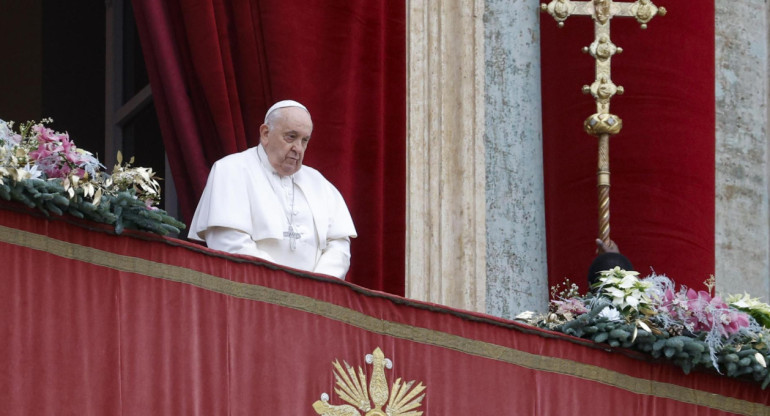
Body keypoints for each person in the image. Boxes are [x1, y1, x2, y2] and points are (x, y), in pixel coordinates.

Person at [187, 100, 357, 279]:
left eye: (304, 140)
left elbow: (339, 246)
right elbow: (229, 242)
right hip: (252, 295)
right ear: (266, 134)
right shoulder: (231, 170)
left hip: (312, 301)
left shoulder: (319, 183)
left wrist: (317, 285)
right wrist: (282, 284)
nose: (298, 148)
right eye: (291, 137)